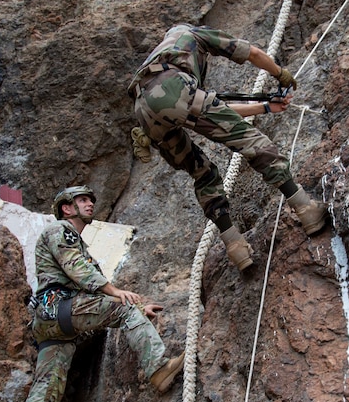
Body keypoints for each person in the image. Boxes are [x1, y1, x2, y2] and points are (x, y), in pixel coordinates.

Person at [7, 186, 185, 402]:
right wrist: (125, 300)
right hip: (62, 307)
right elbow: (79, 273)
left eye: (91, 199)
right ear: (66, 208)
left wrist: (137, 301)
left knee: (46, 387)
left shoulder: (75, 242)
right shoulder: (61, 231)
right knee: (127, 314)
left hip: (50, 321)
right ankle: (158, 369)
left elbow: (88, 280)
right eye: (82, 200)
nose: (90, 204)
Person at [128, 23, 328, 271]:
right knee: (251, 142)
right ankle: (305, 208)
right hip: (173, 88)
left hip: (144, 112)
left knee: (202, 173)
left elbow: (213, 112)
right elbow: (252, 53)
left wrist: (265, 107)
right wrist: (280, 73)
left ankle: (236, 247)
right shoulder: (195, 34)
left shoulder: (162, 53)